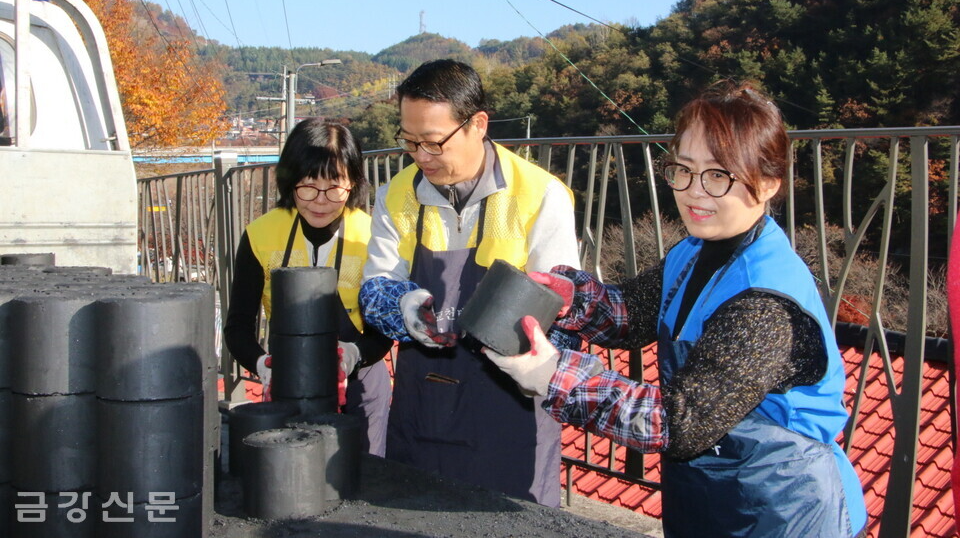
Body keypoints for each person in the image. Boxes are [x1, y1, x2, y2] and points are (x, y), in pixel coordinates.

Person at [486, 81, 868, 537]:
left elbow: (677, 422)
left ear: (767, 183)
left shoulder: (766, 301)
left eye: (718, 175)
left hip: (780, 506)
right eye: (682, 170)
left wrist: (554, 375)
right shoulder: (693, 251)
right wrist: (571, 297)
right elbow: (633, 314)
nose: (693, 191)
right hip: (708, 492)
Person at [358, 59, 580, 506]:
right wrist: (404, 310)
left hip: (511, 406)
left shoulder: (539, 194)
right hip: (426, 399)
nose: (421, 156)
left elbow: (563, 307)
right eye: (410, 141)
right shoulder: (397, 194)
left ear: (478, 124)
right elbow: (375, 285)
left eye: (434, 142)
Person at [224, 118, 393, 456]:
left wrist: (353, 357)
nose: (320, 201)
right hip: (288, 377)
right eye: (308, 186)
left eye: (334, 187)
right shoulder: (260, 234)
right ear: (289, 182)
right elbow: (238, 326)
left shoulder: (374, 235)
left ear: (354, 183)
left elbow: (384, 326)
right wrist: (263, 366)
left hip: (361, 377)